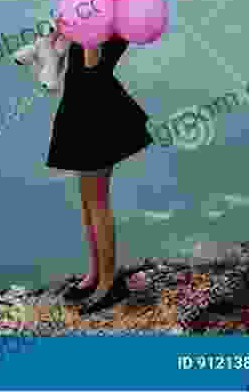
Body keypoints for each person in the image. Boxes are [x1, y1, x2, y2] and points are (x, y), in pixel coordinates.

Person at [46, 32, 154, 315]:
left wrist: (86, 34)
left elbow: (92, 66)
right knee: (87, 201)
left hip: (96, 112)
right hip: (80, 104)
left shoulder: (114, 21)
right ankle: (95, 275)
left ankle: (108, 284)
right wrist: (62, 32)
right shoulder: (98, 11)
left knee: (97, 202)